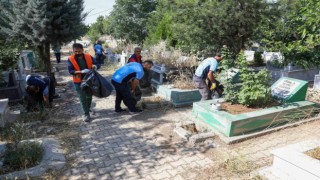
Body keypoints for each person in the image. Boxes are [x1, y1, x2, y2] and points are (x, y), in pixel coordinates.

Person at [68, 43, 99, 122]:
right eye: (76, 51)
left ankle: (87, 109)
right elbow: (70, 70)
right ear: (73, 51)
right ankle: (86, 114)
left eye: (79, 51)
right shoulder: (70, 59)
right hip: (78, 81)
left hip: (89, 80)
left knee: (89, 96)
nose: (78, 53)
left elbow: (96, 63)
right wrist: (80, 71)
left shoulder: (88, 56)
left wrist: (95, 66)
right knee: (82, 97)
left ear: (82, 50)